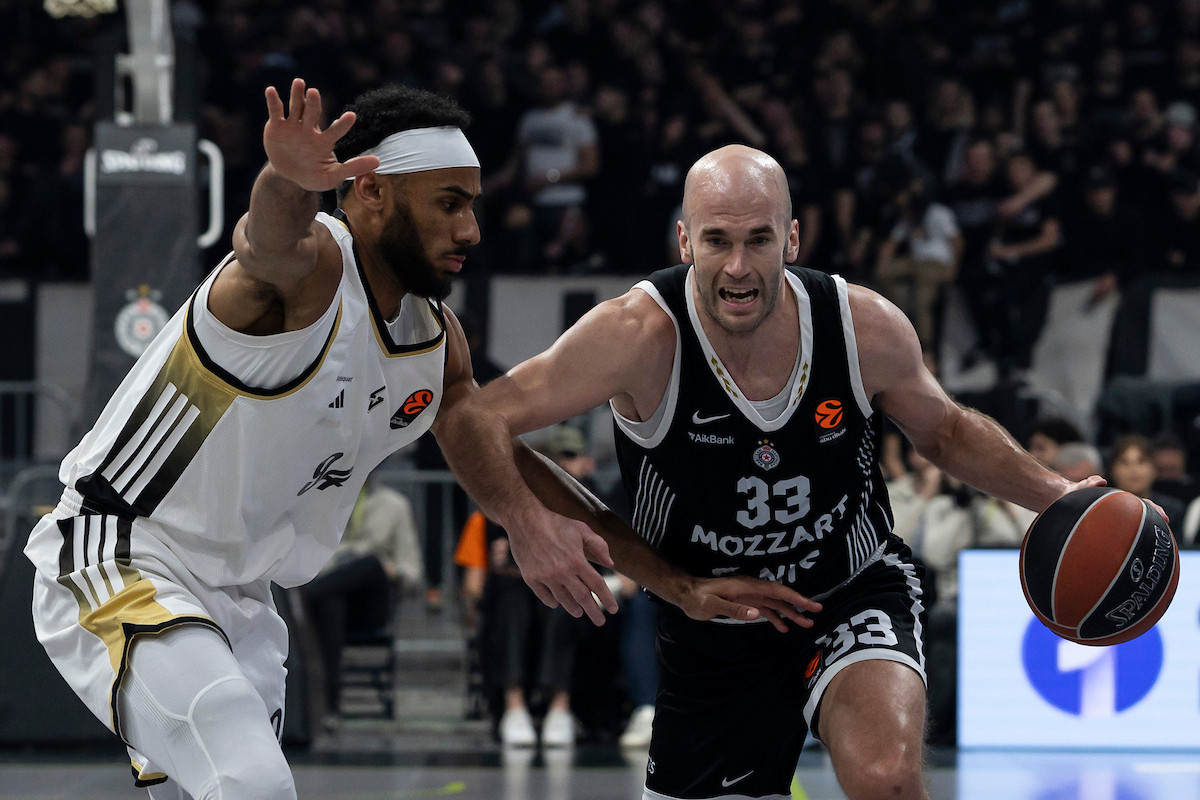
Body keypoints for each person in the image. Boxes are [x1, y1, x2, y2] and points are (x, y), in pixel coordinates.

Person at [24, 80, 803, 800]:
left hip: (242, 600)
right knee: (251, 782)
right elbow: (266, 244)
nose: (470, 229)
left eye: (473, 205)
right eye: (448, 204)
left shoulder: (435, 343)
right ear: (369, 193)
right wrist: (288, 179)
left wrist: (671, 582)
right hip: (120, 549)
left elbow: (501, 454)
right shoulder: (309, 274)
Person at [437, 144, 1107, 800]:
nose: (738, 267)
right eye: (717, 240)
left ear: (791, 238)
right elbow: (473, 421)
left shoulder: (860, 325)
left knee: (887, 778)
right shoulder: (635, 335)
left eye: (758, 239)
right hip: (713, 623)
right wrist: (532, 525)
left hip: (848, 589)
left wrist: (1061, 496)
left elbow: (947, 431)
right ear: (684, 242)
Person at [300, 472, 422, 730]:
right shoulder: (323, 502)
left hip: (371, 602)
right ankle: (332, 704)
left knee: (370, 564)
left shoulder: (394, 505)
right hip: (332, 596)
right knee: (331, 601)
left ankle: (306, 598)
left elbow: (412, 572)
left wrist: (393, 571)